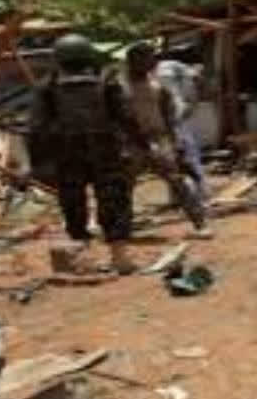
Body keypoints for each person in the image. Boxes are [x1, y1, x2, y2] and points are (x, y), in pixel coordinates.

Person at [28, 34, 141, 273]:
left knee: (73, 204)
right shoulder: (106, 82)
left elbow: (36, 129)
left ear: (58, 59)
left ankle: (80, 259)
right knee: (114, 201)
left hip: (67, 155)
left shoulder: (46, 87)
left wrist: (38, 163)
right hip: (106, 152)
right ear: (89, 56)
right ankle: (119, 257)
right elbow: (127, 118)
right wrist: (140, 145)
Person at [121, 43, 212, 239]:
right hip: (132, 142)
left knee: (178, 182)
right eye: (145, 59)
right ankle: (122, 228)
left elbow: (168, 115)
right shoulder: (120, 88)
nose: (150, 63)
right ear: (132, 62)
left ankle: (200, 223)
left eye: (150, 59)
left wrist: (174, 141)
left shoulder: (157, 87)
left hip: (159, 139)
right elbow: (118, 118)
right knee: (124, 187)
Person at [154, 57, 208, 199]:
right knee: (187, 155)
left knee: (174, 159)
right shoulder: (184, 74)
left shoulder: (166, 72)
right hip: (173, 121)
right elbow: (184, 100)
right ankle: (197, 192)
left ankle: (179, 194)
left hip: (168, 121)